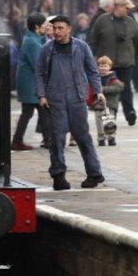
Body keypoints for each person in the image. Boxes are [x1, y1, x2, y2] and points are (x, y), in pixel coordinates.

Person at [36, 15, 105, 190]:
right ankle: (58, 175)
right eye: (54, 28)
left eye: (60, 28)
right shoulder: (47, 49)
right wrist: (42, 95)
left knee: (83, 137)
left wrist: (98, 91)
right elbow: (39, 73)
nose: (57, 31)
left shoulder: (81, 47)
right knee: (57, 138)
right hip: (56, 99)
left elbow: (92, 70)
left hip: (78, 98)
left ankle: (94, 174)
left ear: (69, 29)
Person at [89, 0, 138, 127]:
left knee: (126, 89)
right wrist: (89, 58)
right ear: (118, 7)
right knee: (107, 91)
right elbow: (93, 40)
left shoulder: (130, 21)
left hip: (125, 62)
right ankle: (109, 117)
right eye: (126, 8)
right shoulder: (102, 20)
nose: (128, 10)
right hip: (106, 64)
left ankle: (130, 113)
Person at [11, 13, 51, 150]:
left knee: (40, 110)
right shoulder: (31, 42)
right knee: (32, 111)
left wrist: (45, 35)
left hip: (31, 82)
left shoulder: (32, 38)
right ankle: (17, 141)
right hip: (30, 84)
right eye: (44, 24)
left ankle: (46, 139)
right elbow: (38, 64)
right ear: (37, 26)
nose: (46, 26)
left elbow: (43, 46)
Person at [90, 56, 124, 146]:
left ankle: (111, 137)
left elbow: (119, 87)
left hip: (110, 104)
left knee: (109, 121)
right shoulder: (96, 78)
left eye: (105, 66)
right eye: (101, 66)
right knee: (99, 121)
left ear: (110, 67)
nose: (103, 68)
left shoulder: (113, 78)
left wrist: (103, 89)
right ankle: (101, 138)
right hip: (98, 104)